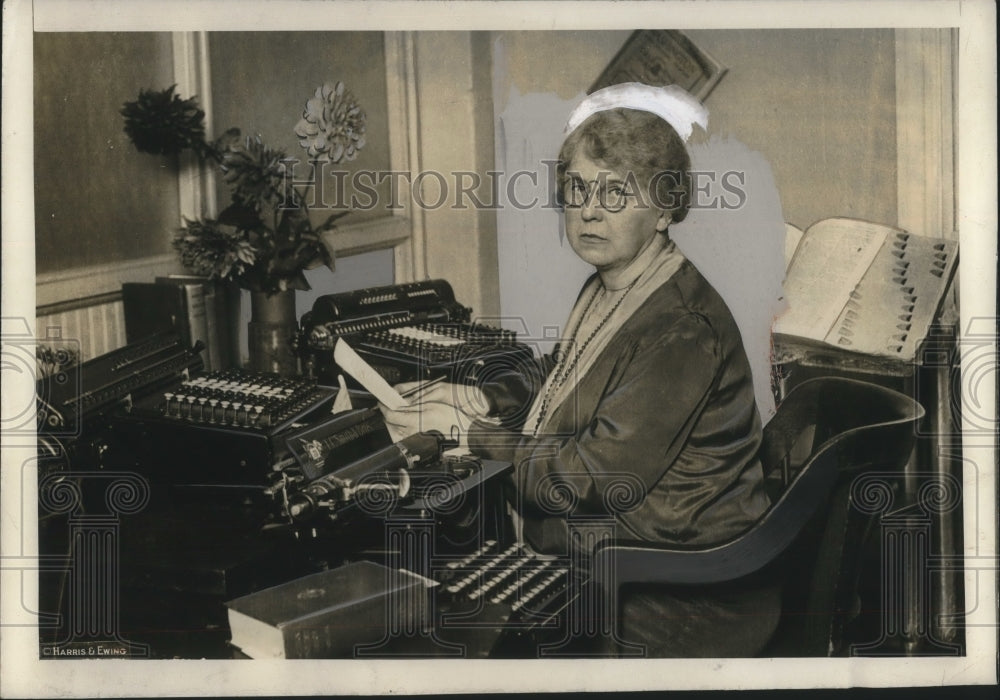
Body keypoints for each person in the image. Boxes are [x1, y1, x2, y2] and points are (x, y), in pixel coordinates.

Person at [380, 83, 781, 657]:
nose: (589, 210)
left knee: (441, 628)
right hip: (621, 551)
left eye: (616, 192)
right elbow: (562, 374)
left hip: (679, 583)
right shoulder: (615, 283)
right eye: (577, 188)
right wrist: (473, 397)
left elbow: (592, 476)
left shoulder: (682, 328)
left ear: (665, 209)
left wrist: (469, 435)